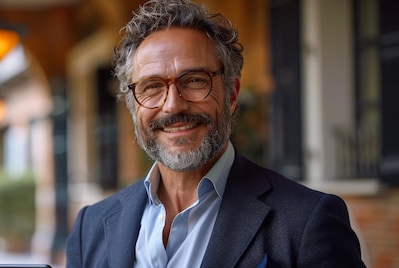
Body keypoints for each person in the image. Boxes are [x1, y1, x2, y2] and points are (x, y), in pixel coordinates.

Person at [65, 0, 365, 267]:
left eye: (194, 80)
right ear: (132, 104)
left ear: (231, 94)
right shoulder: (90, 226)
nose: (173, 106)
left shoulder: (308, 221)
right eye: (152, 86)